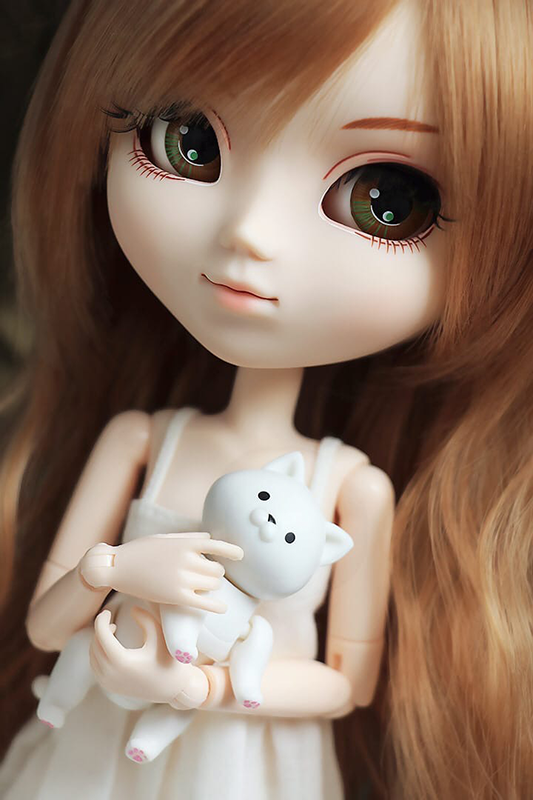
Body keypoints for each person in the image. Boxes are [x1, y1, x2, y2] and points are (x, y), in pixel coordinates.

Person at [1, 0, 532, 797]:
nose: (248, 233)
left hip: (244, 768)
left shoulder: (349, 490)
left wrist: (199, 688)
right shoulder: (140, 440)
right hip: (94, 754)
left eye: (386, 197)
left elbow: (344, 681)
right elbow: (48, 625)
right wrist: (116, 568)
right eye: (188, 139)